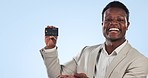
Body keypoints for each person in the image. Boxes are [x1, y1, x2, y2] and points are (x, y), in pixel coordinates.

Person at [40, 1, 148, 78]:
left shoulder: (140, 61)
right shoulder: (86, 52)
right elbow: (58, 76)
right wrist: (50, 48)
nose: (114, 23)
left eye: (120, 20)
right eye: (108, 19)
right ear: (102, 24)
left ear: (127, 25)